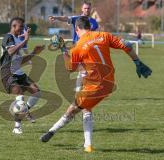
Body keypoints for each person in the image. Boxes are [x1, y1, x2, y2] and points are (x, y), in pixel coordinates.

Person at [40, 16, 152, 153]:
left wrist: (63, 49)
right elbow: (127, 45)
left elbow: (70, 68)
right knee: (86, 109)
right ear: (90, 26)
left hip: (95, 86)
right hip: (108, 83)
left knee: (72, 109)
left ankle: (52, 131)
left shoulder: (78, 46)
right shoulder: (104, 35)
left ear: (76, 29)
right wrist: (137, 62)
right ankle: (88, 145)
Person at [48, 2, 99, 149]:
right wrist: (56, 17)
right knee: (81, 102)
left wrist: (63, 49)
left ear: (91, 10)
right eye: (84, 8)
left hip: (84, 57)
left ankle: (86, 142)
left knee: (82, 105)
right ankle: (87, 142)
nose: (86, 10)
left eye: (88, 8)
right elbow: (66, 18)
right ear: (82, 9)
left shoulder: (93, 23)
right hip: (79, 57)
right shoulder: (76, 18)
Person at [0, 17, 45, 134]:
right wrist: (25, 40)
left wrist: (35, 52)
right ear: (14, 26)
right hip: (8, 73)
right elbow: (10, 52)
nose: (22, 29)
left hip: (19, 72)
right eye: (20, 27)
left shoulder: (17, 40)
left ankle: (25, 111)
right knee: (20, 96)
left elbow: (21, 60)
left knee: (37, 92)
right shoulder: (8, 37)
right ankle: (17, 127)